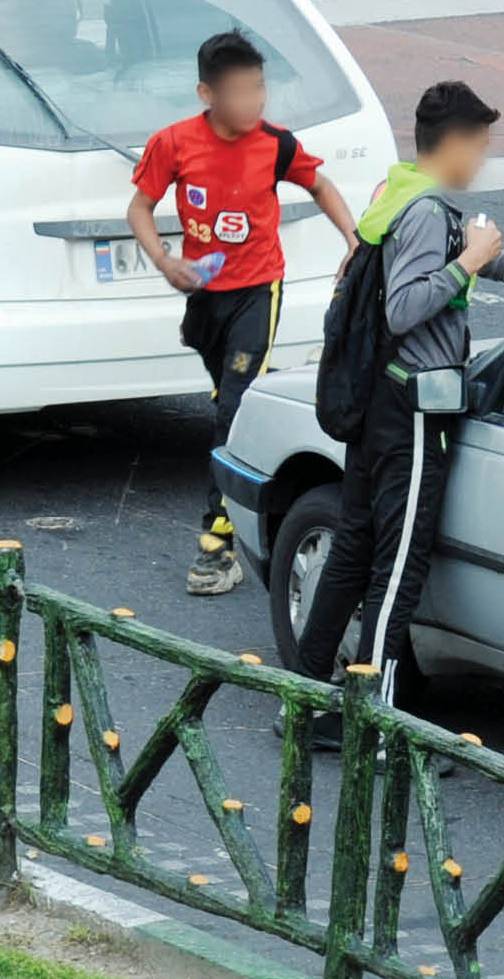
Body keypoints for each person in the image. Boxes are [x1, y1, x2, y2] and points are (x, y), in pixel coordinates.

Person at [293, 81, 504, 702]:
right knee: (398, 567)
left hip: (374, 399)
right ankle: (371, 723)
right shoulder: (430, 209)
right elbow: (405, 306)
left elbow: (433, 252)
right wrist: (470, 264)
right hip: (412, 412)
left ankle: (305, 696)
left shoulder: (397, 187)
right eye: (481, 147)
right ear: (457, 142)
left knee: (352, 548)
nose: (482, 161)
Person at [129, 32, 359, 595]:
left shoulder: (276, 144)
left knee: (233, 410)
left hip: (261, 288)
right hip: (206, 296)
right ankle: (243, 424)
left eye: (260, 89)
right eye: (239, 92)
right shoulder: (174, 144)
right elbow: (139, 207)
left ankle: (218, 544)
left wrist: (353, 241)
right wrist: (165, 260)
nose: (254, 102)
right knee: (225, 400)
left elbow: (320, 184)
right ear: (207, 93)